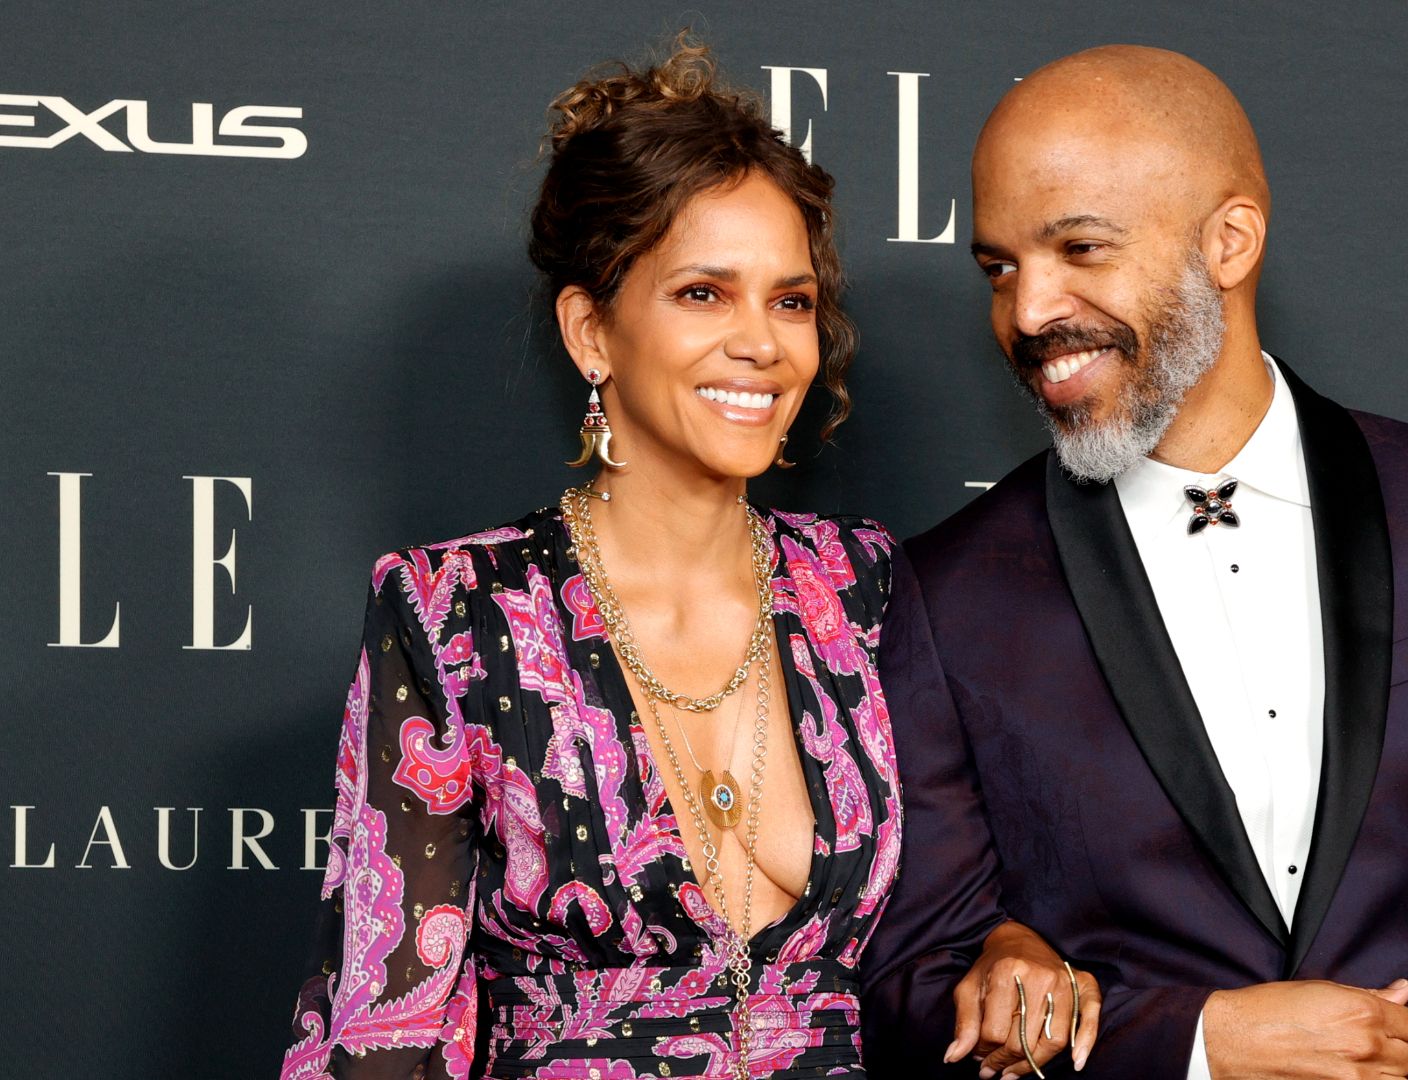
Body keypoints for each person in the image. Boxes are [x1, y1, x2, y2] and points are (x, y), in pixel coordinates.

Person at [279, 39, 1095, 1080]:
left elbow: (974, 910)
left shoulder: (870, 588)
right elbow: (383, 1025)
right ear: (592, 332)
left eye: (791, 300)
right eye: (704, 293)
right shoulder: (456, 613)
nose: (762, 342)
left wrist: (1011, 944)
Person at [863, 45, 1408, 1080]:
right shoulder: (951, 591)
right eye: (1001, 266)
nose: (1027, 312)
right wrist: (1199, 1042)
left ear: (1230, 241)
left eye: (1081, 250)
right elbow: (918, 990)